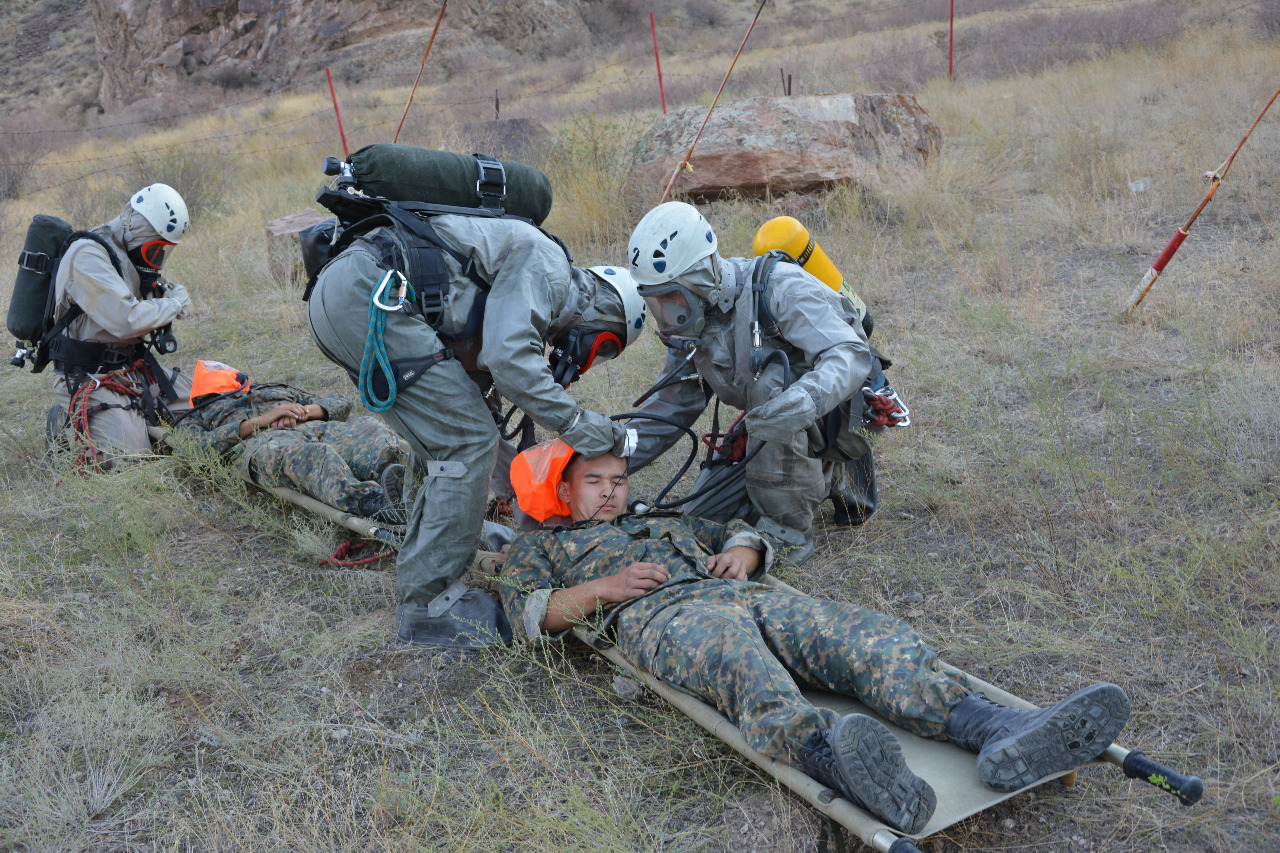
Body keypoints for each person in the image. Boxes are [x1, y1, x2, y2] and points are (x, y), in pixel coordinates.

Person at [498, 448, 1131, 835]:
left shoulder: (669, 522)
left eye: (618, 480)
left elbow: (734, 530)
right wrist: (604, 587)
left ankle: (994, 728)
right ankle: (838, 764)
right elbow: (529, 614)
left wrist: (745, 550)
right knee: (740, 664)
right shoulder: (544, 546)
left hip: (745, 595)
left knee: (863, 637)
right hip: (661, 617)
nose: (610, 491)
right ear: (564, 490)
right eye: (594, 482)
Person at [307, 207, 646, 648]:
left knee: (447, 434)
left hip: (342, 293)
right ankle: (429, 607)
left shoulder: (525, 268)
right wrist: (579, 424)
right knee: (465, 441)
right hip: (371, 291)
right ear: (604, 309)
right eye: (605, 347)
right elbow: (508, 361)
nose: (588, 359)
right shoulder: (550, 267)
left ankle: (426, 543)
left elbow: (476, 374)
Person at [624, 202, 907, 562]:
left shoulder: (779, 288)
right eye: (656, 301)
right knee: (698, 522)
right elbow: (672, 406)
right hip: (776, 422)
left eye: (671, 296)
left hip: (850, 420)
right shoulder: (690, 324)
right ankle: (806, 475)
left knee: (769, 382)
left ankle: (792, 528)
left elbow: (851, 354)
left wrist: (804, 400)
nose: (667, 313)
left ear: (700, 277)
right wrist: (615, 455)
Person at [45, 184, 194, 467]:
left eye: (164, 251)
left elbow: (140, 298)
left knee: (207, 401)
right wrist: (173, 304)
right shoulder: (88, 255)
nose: (158, 261)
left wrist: (163, 292)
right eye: (155, 250)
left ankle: (132, 418)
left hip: (132, 370)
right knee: (133, 463)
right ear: (133, 231)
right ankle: (64, 424)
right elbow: (127, 320)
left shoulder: (126, 254)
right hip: (88, 377)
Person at [172, 359, 409, 523]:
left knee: (370, 430)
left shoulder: (272, 389)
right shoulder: (198, 415)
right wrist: (262, 421)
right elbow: (193, 450)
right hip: (265, 443)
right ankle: (374, 504)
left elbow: (340, 402)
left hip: (313, 426)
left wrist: (302, 411)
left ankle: (400, 481)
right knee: (315, 456)